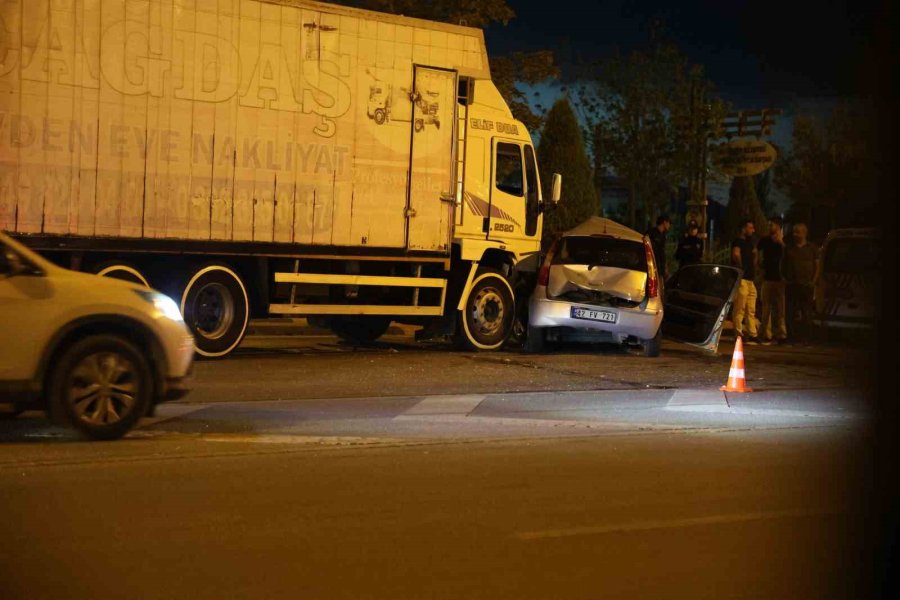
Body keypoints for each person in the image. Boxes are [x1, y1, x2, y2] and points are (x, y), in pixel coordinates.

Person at [783, 222, 819, 344]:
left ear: (804, 233)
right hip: (792, 285)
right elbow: (782, 264)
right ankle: (791, 338)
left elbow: (817, 265)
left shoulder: (812, 248)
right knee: (790, 313)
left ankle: (806, 339)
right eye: (794, 232)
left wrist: (813, 281)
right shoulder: (789, 248)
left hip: (806, 285)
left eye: (797, 232)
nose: (794, 234)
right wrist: (785, 279)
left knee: (806, 313)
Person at [756, 216, 787, 345]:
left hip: (780, 279)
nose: (769, 227)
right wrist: (758, 264)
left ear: (779, 227)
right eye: (769, 225)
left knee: (780, 309)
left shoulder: (784, 242)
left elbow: (789, 255)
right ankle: (766, 334)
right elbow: (757, 252)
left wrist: (781, 243)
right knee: (766, 307)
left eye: (772, 225)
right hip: (767, 278)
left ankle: (781, 334)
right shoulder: (764, 240)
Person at [730, 219, 760, 344]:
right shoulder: (738, 241)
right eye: (750, 228)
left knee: (750, 307)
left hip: (750, 278)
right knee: (740, 307)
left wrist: (754, 259)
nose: (752, 230)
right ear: (743, 229)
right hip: (742, 278)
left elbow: (754, 254)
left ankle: (752, 333)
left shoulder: (750, 243)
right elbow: (736, 254)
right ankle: (738, 332)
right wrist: (741, 266)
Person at [647, 215, 671, 279]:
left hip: (660, 268)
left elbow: (662, 252)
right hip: (652, 266)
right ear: (664, 222)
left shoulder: (663, 235)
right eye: (669, 223)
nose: (669, 225)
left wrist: (665, 268)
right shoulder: (651, 233)